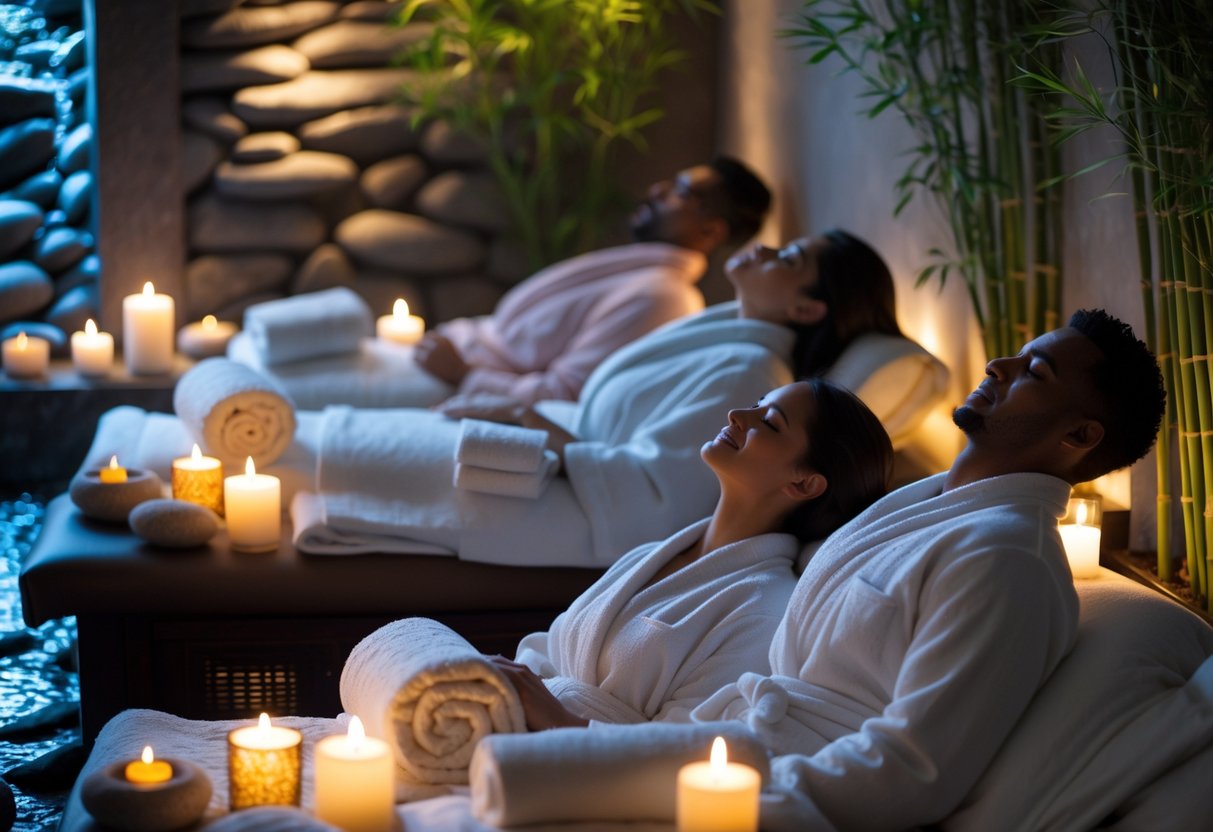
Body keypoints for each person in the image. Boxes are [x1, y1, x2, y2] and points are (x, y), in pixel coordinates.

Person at [687, 309, 1167, 831]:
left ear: (1078, 434)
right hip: (742, 744)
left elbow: (914, 771)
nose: (998, 365)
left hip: (782, 793)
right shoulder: (928, 503)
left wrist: (742, 802)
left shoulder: (1009, 561)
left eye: (1035, 371)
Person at [295, 229, 906, 570]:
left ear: (806, 308)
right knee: (337, 444)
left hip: (562, 479)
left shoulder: (749, 367)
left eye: (790, 258)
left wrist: (527, 418)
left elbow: (661, 492)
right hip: (558, 442)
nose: (769, 248)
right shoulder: (726, 336)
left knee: (335, 454)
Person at [487, 379, 894, 729]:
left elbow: (683, 743)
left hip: (572, 772)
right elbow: (546, 649)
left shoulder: (766, 610)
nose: (738, 415)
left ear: (804, 484)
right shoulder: (652, 554)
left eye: (768, 423)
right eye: (756, 405)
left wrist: (556, 720)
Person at [407, 156, 773, 406]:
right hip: (444, 358)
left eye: (680, 191)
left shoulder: (664, 296)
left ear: (711, 230)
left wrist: (461, 373)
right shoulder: (641, 274)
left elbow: (566, 395)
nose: (657, 190)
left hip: (453, 383)